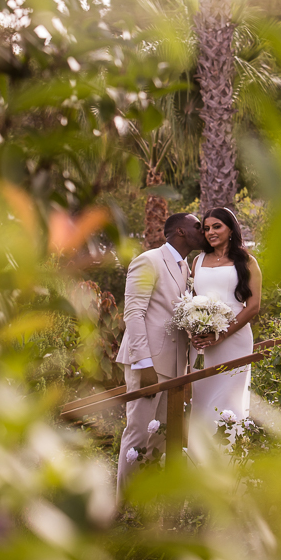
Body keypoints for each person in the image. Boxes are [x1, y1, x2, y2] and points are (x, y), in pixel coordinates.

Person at [116, 211, 207, 496]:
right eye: (197, 226)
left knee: (159, 439)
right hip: (149, 364)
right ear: (180, 231)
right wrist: (144, 364)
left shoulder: (185, 268)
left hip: (175, 367)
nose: (203, 230)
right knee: (139, 434)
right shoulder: (149, 260)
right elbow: (133, 312)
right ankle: (125, 507)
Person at [189, 207, 262, 433]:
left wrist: (222, 334)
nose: (210, 232)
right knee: (201, 400)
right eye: (207, 228)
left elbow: (253, 307)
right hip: (203, 344)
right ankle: (199, 461)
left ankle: (231, 456)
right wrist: (194, 332)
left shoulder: (248, 262)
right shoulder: (197, 261)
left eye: (217, 226)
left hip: (234, 341)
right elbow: (190, 301)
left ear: (231, 229)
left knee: (228, 401)